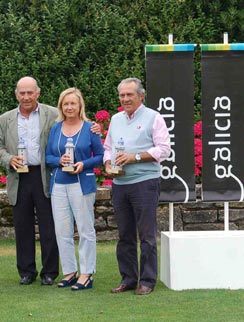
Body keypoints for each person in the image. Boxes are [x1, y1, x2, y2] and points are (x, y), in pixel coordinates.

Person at [104, 78, 171, 295]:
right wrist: (107, 162)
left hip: (144, 183)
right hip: (120, 183)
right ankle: (128, 279)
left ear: (141, 96)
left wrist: (136, 157)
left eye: (129, 95)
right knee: (124, 235)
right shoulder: (115, 119)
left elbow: (164, 150)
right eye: (122, 95)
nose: (125, 99)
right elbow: (108, 147)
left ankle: (148, 281)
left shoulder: (154, 117)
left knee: (146, 235)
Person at [0, 76, 59, 286]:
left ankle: (49, 272)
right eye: (22, 93)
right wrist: (8, 159)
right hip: (18, 176)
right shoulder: (6, 119)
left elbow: (72, 127)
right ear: (16, 94)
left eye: (30, 92)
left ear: (38, 93)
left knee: (49, 226)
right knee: (23, 227)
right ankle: (26, 271)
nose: (26, 97)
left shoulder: (53, 114)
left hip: (44, 175)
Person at [45, 88, 103, 291]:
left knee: (86, 230)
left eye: (73, 104)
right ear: (61, 106)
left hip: (82, 183)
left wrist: (84, 164)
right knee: (62, 231)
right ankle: (70, 271)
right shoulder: (55, 128)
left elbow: (101, 156)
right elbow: (48, 157)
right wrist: (59, 160)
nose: (69, 107)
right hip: (59, 183)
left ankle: (87, 273)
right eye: (65, 104)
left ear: (80, 106)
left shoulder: (90, 128)